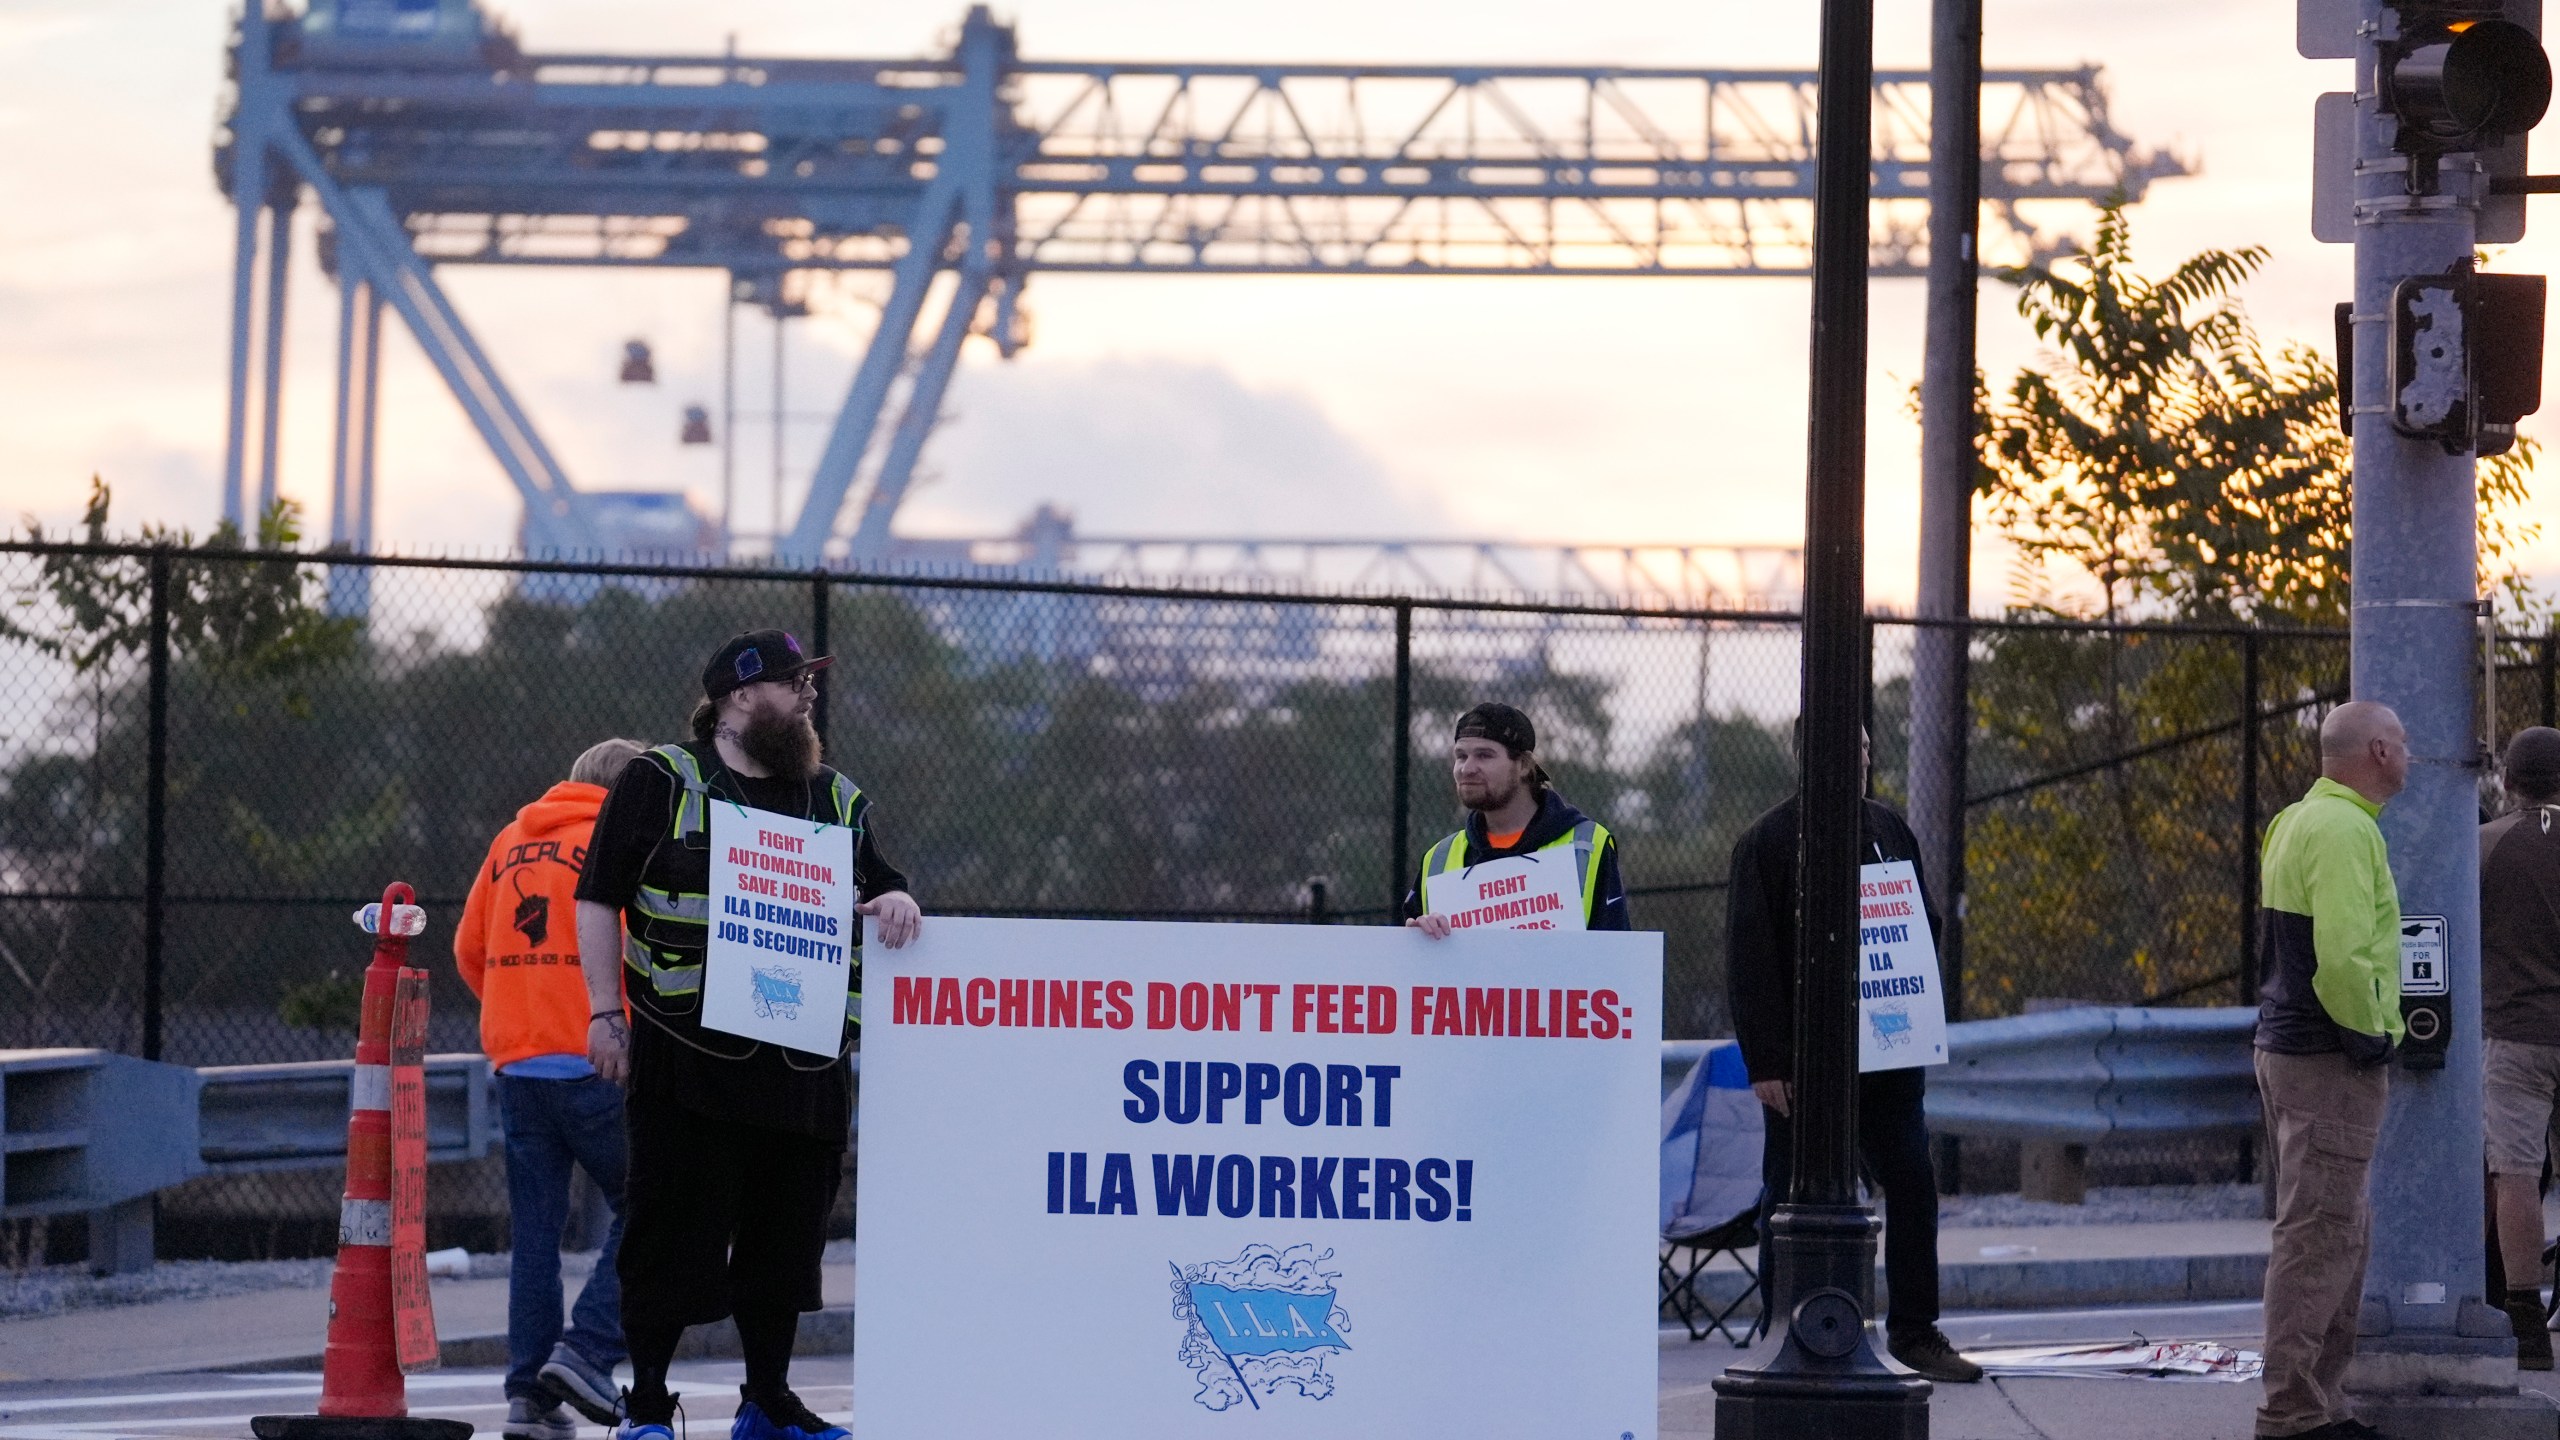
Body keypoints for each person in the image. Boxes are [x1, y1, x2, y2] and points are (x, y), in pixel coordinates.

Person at [576, 630, 923, 1440]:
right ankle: (650, 1404)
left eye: (809, 682)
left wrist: (899, 901)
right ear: (737, 696)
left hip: (802, 1066)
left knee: (786, 1247)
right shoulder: (663, 780)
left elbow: (885, 883)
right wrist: (603, 1013)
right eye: (791, 682)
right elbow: (599, 897)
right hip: (685, 1056)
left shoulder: (835, 797)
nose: (807, 695)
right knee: (667, 1235)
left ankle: (768, 1401)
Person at [1724, 724, 1981, 1384]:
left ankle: (1916, 1332)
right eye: (1846, 749)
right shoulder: (1768, 842)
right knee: (1786, 1194)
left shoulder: (1890, 830)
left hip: (1889, 1053)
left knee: (1913, 1184)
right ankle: (1783, 1327)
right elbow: (1750, 961)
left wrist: (1917, 1012)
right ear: (1809, 756)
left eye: (1865, 750)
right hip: (1806, 1066)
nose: (1859, 760)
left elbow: (1921, 926)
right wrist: (1768, 1061)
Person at [456, 737, 645, 1438]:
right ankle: (585, 1350)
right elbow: (641, 950)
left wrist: (514, 1012)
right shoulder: (621, 843)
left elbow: (468, 949)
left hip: (518, 1063)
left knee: (535, 1236)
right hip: (597, 1059)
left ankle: (527, 1396)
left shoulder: (511, 840)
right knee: (655, 1204)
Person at [2253, 700, 2408, 1440]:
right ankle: (2291, 1413)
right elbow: (2344, 958)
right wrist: (2372, 1037)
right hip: (2328, 1057)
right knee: (2319, 1235)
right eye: (2403, 743)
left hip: (2286, 1049)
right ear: (2378, 751)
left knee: (2335, 1231)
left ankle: (2322, 1403)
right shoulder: (2349, 831)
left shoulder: (2294, 821)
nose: (2409, 755)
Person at [1404, 702, 1629, 935]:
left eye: (1484, 756)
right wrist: (1416, 938)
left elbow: (1617, 956)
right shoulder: (1437, 858)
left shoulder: (1587, 845)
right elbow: (1409, 966)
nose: (1466, 769)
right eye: (1461, 756)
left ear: (1523, 765)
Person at [2482, 726, 2560, 1371]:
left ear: (2507, 780)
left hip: (2517, 1031)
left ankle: (2524, 1317)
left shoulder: (2485, 846)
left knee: (2516, 1170)